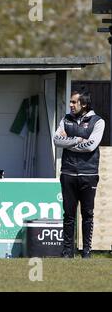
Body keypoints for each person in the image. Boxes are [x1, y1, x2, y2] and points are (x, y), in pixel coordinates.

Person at [53, 90, 105, 259]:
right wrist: (77, 140)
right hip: (67, 172)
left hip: (88, 173)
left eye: (74, 102)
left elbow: (91, 146)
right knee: (68, 214)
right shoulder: (65, 119)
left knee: (87, 214)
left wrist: (68, 141)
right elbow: (56, 140)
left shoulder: (98, 122)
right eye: (70, 102)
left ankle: (86, 252)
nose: (70, 105)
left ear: (84, 104)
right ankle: (67, 252)